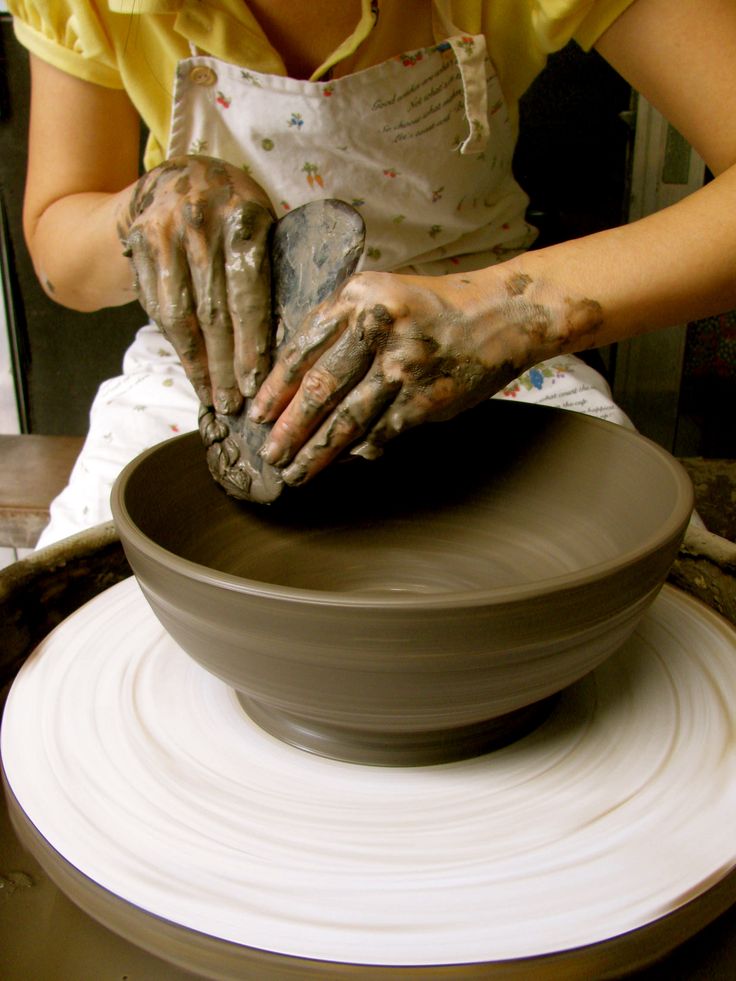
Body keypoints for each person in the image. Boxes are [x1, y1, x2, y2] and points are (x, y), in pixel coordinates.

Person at [8, 0, 736, 546]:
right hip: (220, 363)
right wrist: (146, 211)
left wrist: (511, 309)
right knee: (68, 630)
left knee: (658, 594)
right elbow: (59, 257)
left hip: (485, 340)